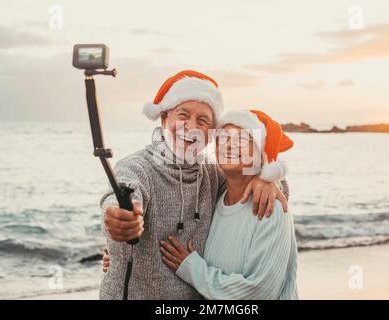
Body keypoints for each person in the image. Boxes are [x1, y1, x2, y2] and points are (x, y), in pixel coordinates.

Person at [100, 70, 290, 299]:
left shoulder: (212, 173)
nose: (191, 128)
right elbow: (122, 191)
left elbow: (251, 183)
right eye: (183, 115)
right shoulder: (137, 166)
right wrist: (119, 215)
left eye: (203, 121)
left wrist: (266, 179)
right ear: (164, 118)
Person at [158, 110, 298, 299]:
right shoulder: (214, 199)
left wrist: (193, 270)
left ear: (260, 152)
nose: (229, 146)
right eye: (222, 138)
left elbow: (259, 292)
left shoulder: (271, 209)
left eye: (242, 139)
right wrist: (122, 253)